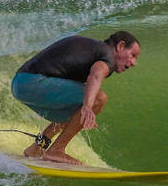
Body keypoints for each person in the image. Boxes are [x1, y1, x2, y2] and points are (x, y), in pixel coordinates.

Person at [10, 30, 140, 165]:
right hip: (32, 82)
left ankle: (37, 147)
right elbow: (95, 75)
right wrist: (88, 107)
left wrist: (84, 107)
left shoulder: (92, 50)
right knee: (99, 98)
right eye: (132, 55)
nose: (134, 62)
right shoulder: (107, 55)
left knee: (76, 112)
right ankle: (57, 150)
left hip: (21, 84)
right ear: (120, 46)